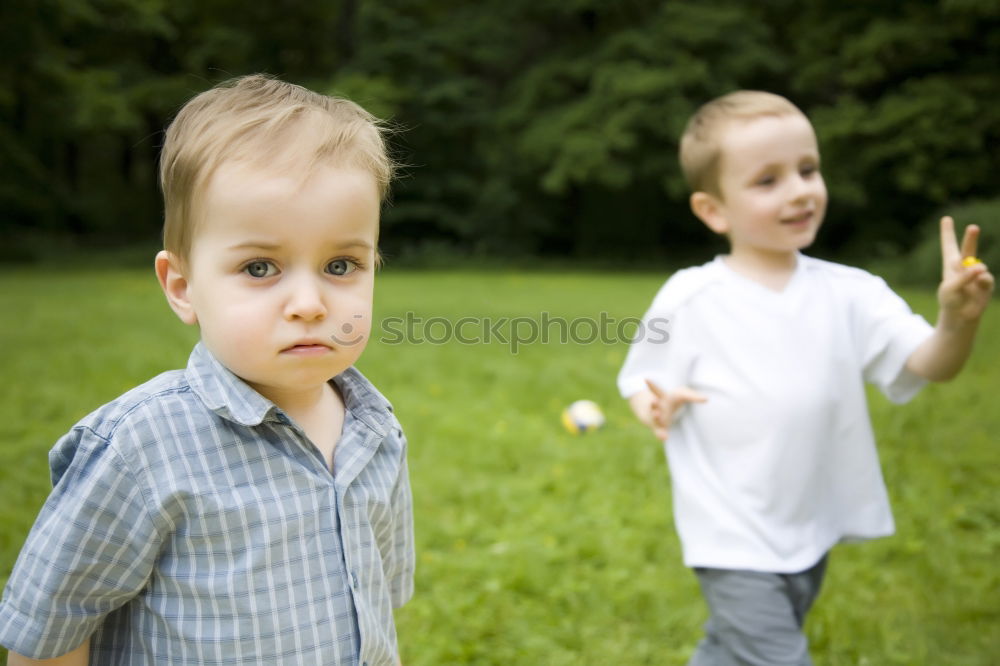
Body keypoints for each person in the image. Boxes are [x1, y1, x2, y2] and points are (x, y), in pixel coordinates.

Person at [0, 75, 414, 665]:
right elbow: (51, 633)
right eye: (260, 267)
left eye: (341, 264)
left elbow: (375, 607)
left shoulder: (376, 431)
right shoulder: (143, 447)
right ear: (183, 286)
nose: (309, 302)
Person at [618, 90, 993, 665]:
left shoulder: (852, 292)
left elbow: (928, 364)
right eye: (767, 181)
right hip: (731, 530)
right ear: (713, 210)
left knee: (731, 648)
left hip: (809, 523)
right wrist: (657, 405)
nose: (798, 190)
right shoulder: (692, 297)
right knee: (777, 656)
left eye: (807, 170)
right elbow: (642, 382)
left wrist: (956, 321)